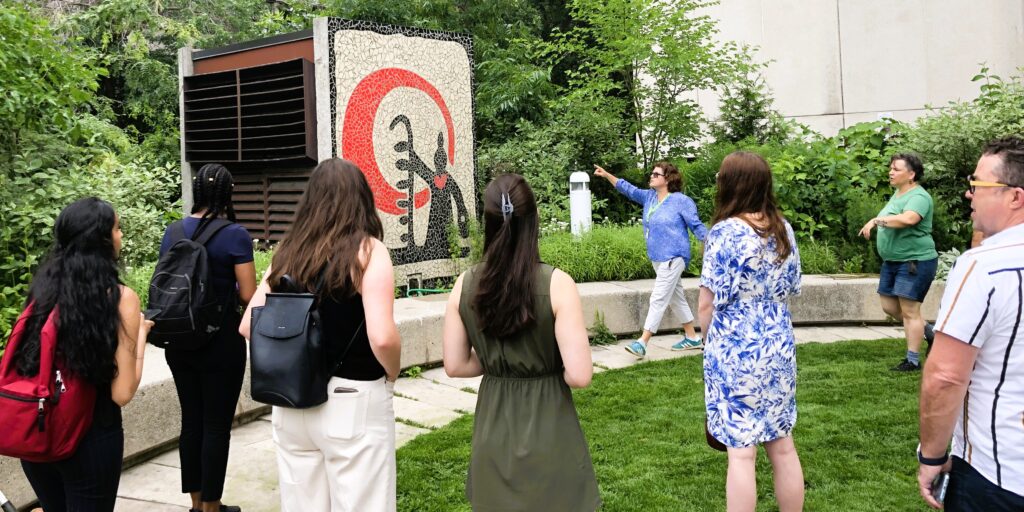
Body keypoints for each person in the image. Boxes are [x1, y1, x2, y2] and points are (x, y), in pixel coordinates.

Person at [240, 158, 401, 512]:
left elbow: (248, 325)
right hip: (353, 399)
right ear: (361, 198)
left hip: (293, 402)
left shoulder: (288, 253)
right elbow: (384, 338)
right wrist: (392, 372)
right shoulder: (368, 252)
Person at [442, 174, 601, 511]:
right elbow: (580, 375)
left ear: (487, 222)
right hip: (550, 429)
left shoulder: (464, 284)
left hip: (493, 430)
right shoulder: (558, 284)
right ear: (533, 221)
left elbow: (455, 364)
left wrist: (498, 360)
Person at [14, 197, 152, 511]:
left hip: (39, 432)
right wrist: (140, 336)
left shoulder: (43, 290)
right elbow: (122, 392)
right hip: (90, 439)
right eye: (117, 228)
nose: (120, 235)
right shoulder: (120, 298)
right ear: (103, 238)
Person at [918, 137, 1024, 511]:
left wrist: (930, 457)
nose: (969, 194)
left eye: (978, 185)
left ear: (1015, 197)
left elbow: (945, 375)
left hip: (999, 473)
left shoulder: (984, 265)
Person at [698, 152, 804, 512]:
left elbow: (706, 304)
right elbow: (791, 286)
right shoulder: (783, 228)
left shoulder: (725, 232)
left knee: (741, 455)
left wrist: (706, 341)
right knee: (783, 445)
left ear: (732, 183)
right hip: (777, 343)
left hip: (736, 347)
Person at [159, 164, 256, 512]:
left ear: (197, 192)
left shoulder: (173, 232)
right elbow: (248, 294)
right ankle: (212, 509)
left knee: (192, 421)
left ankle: (197, 504)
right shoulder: (235, 235)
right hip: (221, 344)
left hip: (179, 339)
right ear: (227, 195)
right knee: (216, 426)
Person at [593, 161, 708, 358]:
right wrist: (606, 175)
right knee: (675, 296)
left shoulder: (681, 201)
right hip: (657, 257)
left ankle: (642, 342)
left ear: (667, 179)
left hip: (674, 256)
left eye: (656, 174)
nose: (652, 176)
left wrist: (714, 245)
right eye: (652, 174)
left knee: (658, 297)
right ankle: (692, 337)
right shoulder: (650, 198)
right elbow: (627, 189)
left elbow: (696, 226)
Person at [858, 153, 939, 371]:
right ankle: (931, 332)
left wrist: (877, 220)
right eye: (890, 168)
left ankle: (912, 360)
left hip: (914, 261)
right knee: (889, 307)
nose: (890, 172)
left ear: (911, 174)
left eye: (896, 169)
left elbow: (909, 219)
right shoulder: (898, 194)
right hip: (893, 261)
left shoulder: (919, 197)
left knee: (910, 312)